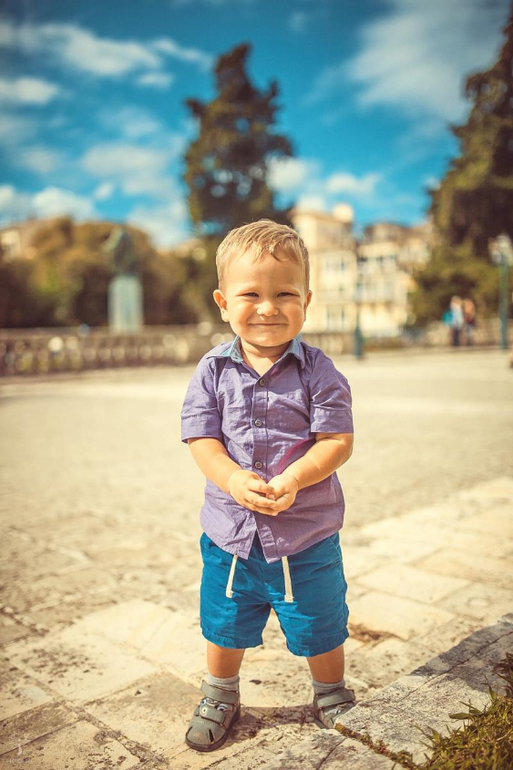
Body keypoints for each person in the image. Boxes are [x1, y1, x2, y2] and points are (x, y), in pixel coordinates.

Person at [181, 220, 355, 752]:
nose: (268, 307)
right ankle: (220, 692)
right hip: (231, 534)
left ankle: (330, 691)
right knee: (224, 618)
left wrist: (296, 477)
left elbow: (337, 440)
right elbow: (202, 439)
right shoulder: (212, 370)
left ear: (307, 300)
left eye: (285, 294)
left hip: (306, 533)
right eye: (250, 294)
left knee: (321, 617)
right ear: (222, 302)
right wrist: (232, 478)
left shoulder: (319, 370)